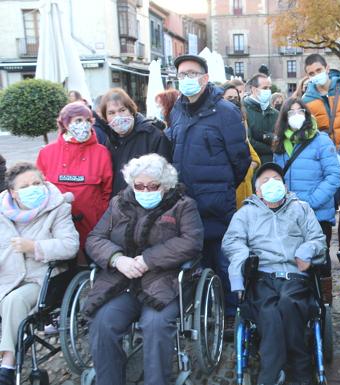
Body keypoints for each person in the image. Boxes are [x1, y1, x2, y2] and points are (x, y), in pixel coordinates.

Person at [84, 154, 203, 385]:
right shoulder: (119, 203)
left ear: (165, 185)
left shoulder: (183, 205)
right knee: (103, 322)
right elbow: (95, 238)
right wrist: (117, 259)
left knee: (155, 325)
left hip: (164, 282)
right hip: (123, 282)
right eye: (139, 185)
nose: (145, 190)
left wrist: (148, 259)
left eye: (152, 186)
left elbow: (191, 241)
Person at [222, 162, 326, 385]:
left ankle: (281, 371)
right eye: (266, 181)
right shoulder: (246, 213)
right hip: (262, 275)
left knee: (289, 303)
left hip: (294, 274)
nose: (272, 184)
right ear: (257, 191)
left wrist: (306, 251)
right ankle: (287, 370)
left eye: (277, 180)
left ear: (285, 186)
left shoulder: (301, 208)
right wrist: (242, 259)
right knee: (268, 312)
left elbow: (317, 239)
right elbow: (232, 242)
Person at [168, 54, 251, 321]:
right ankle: (202, 315)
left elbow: (241, 159)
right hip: (185, 203)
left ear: (204, 78)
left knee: (223, 261)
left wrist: (223, 187)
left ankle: (230, 316)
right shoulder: (177, 110)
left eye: (191, 74)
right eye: (182, 75)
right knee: (193, 260)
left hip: (217, 203)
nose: (186, 79)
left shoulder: (225, 112)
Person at [0, 163, 79, 384]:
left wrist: (34, 247)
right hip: (6, 276)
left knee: (13, 301)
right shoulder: (1, 211)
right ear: (13, 193)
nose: (33, 188)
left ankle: (7, 362)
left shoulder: (58, 208)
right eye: (25, 186)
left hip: (39, 278)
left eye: (37, 183)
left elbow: (70, 246)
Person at [36, 102, 113, 264]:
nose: (84, 125)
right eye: (78, 120)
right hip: (57, 225)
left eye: (88, 120)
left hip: (92, 224)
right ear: (65, 123)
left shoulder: (101, 153)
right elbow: (40, 187)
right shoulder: (47, 153)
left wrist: (101, 219)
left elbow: (107, 190)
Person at [303, 53, 340, 251]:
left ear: (327, 68)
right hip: (324, 157)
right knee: (327, 204)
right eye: (311, 73)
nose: (316, 75)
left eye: (318, 70)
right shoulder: (307, 99)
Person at [273, 98, 340, 256]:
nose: (296, 115)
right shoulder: (280, 143)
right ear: (285, 118)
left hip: (317, 214)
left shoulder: (321, 140)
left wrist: (312, 201)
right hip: (288, 213)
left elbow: (333, 175)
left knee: (319, 261)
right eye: (292, 112)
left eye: (300, 111)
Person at [99, 88, 172, 196]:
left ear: (131, 111)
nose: (118, 116)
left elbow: (165, 179)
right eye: (111, 113)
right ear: (106, 118)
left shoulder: (153, 136)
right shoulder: (110, 140)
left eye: (122, 110)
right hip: (118, 206)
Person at [245, 73, 279, 164]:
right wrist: (272, 148)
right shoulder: (243, 110)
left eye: (269, 88)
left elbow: (280, 138)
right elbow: (248, 141)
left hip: (273, 163)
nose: (268, 91)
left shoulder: (275, 113)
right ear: (253, 89)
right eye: (264, 88)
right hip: (252, 163)